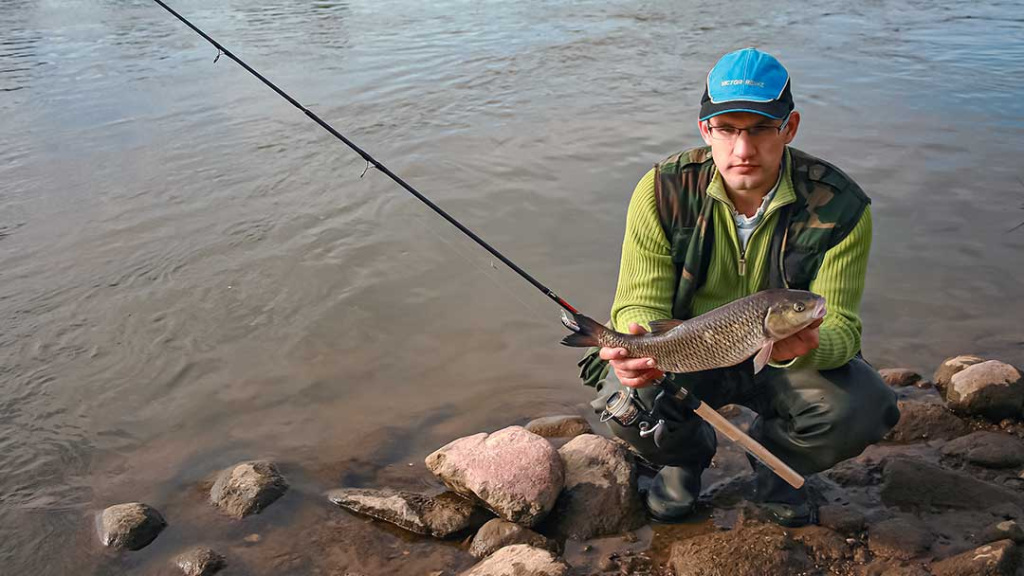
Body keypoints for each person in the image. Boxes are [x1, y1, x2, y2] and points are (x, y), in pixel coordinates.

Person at [577, 48, 900, 527]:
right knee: (619, 402)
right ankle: (684, 459)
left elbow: (845, 330)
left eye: (761, 129)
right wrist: (633, 334)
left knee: (863, 408)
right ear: (705, 129)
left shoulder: (841, 205)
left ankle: (775, 464)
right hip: (687, 348)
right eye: (726, 129)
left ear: (789, 128)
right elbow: (637, 300)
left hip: (780, 357)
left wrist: (809, 345)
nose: (742, 150)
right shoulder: (662, 189)